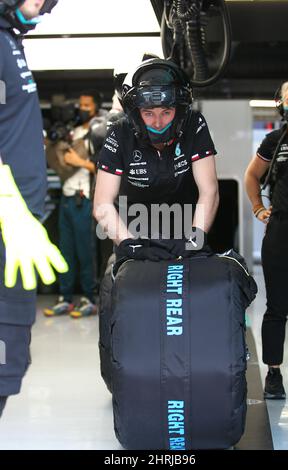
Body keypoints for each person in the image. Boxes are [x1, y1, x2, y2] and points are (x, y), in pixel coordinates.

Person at [0, 0, 67, 418]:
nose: (39, 6)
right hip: (9, 224)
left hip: (17, 233)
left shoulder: (9, 40)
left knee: (8, 360)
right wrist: (10, 207)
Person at [93, 58, 219, 264]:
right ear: (136, 113)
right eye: (148, 113)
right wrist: (129, 245)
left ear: (179, 111)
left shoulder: (194, 123)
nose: (158, 122)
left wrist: (195, 240)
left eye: (166, 112)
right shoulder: (119, 132)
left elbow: (209, 190)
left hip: (185, 230)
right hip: (131, 230)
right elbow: (102, 203)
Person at [244, 77, 288, 400]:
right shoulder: (273, 143)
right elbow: (252, 176)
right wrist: (257, 207)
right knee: (277, 307)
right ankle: (274, 374)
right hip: (281, 229)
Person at [44, 91, 105, 319]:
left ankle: (89, 298)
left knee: (85, 252)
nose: (81, 108)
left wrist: (80, 162)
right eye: (79, 104)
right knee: (65, 251)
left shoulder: (98, 133)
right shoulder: (71, 132)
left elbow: (106, 168)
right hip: (67, 199)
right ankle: (65, 298)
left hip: (84, 199)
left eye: (86, 105)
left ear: (96, 109)